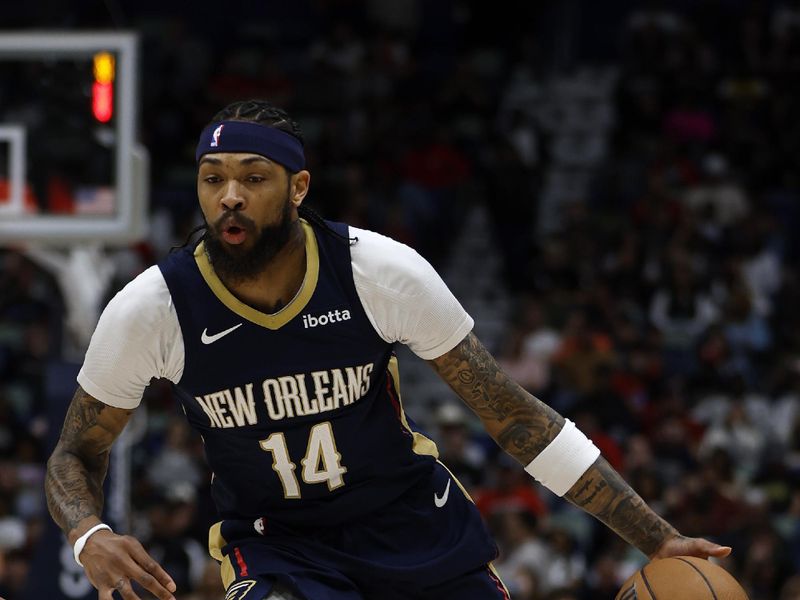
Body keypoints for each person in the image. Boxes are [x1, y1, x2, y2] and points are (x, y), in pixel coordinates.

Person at [45, 99, 731, 600]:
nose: (229, 197)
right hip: (281, 547)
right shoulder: (153, 308)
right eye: (212, 177)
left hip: (414, 527)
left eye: (253, 178)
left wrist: (655, 537)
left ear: (298, 187)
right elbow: (77, 450)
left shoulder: (379, 272)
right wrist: (88, 535)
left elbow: (515, 418)